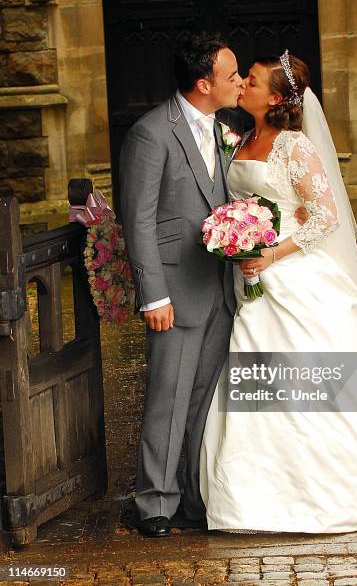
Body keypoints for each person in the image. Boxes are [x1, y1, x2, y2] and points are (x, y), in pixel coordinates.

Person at [199, 51, 357, 533]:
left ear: (275, 97)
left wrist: (271, 254)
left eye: (252, 82)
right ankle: (259, 486)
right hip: (251, 276)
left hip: (294, 276)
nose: (242, 87)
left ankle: (346, 483)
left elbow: (325, 216)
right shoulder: (238, 139)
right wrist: (236, 237)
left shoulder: (295, 146)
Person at [119, 31, 243, 537]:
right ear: (201, 82)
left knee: (202, 400)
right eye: (231, 75)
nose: (239, 82)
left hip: (218, 287)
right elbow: (139, 221)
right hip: (174, 291)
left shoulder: (224, 127)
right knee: (167, 399)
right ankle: (154, 503)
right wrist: (153, 294)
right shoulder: (151, 133)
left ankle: (192, 496)